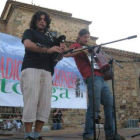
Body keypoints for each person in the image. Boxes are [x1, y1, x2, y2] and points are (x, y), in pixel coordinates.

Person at [64, 29, 125, 140]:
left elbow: (101, 62)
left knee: (110, 104)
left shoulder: (91, 48)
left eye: (88, 37)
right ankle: (88, 135)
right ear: (79, 36)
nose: (87, 39)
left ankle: (110, 134)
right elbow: (67, 54)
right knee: (94, 106)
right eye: (85, 37)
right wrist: (82, 49)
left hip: (101, 77)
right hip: (91, 77)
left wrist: (102, 60)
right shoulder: (76, 45)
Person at [20, 10, 65, 140]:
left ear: (47, 22)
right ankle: (28, 136)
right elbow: (28, 44)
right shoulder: (29, 32)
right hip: (31, 68)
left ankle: (37, 135)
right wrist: (47, 49)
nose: (42, 21)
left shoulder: (50, 38)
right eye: (39, 19)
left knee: (45, 104)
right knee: (31, 101)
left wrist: (61, 51)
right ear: (35, 21)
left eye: (44, 20)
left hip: (47, 71)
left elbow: (57, 58)